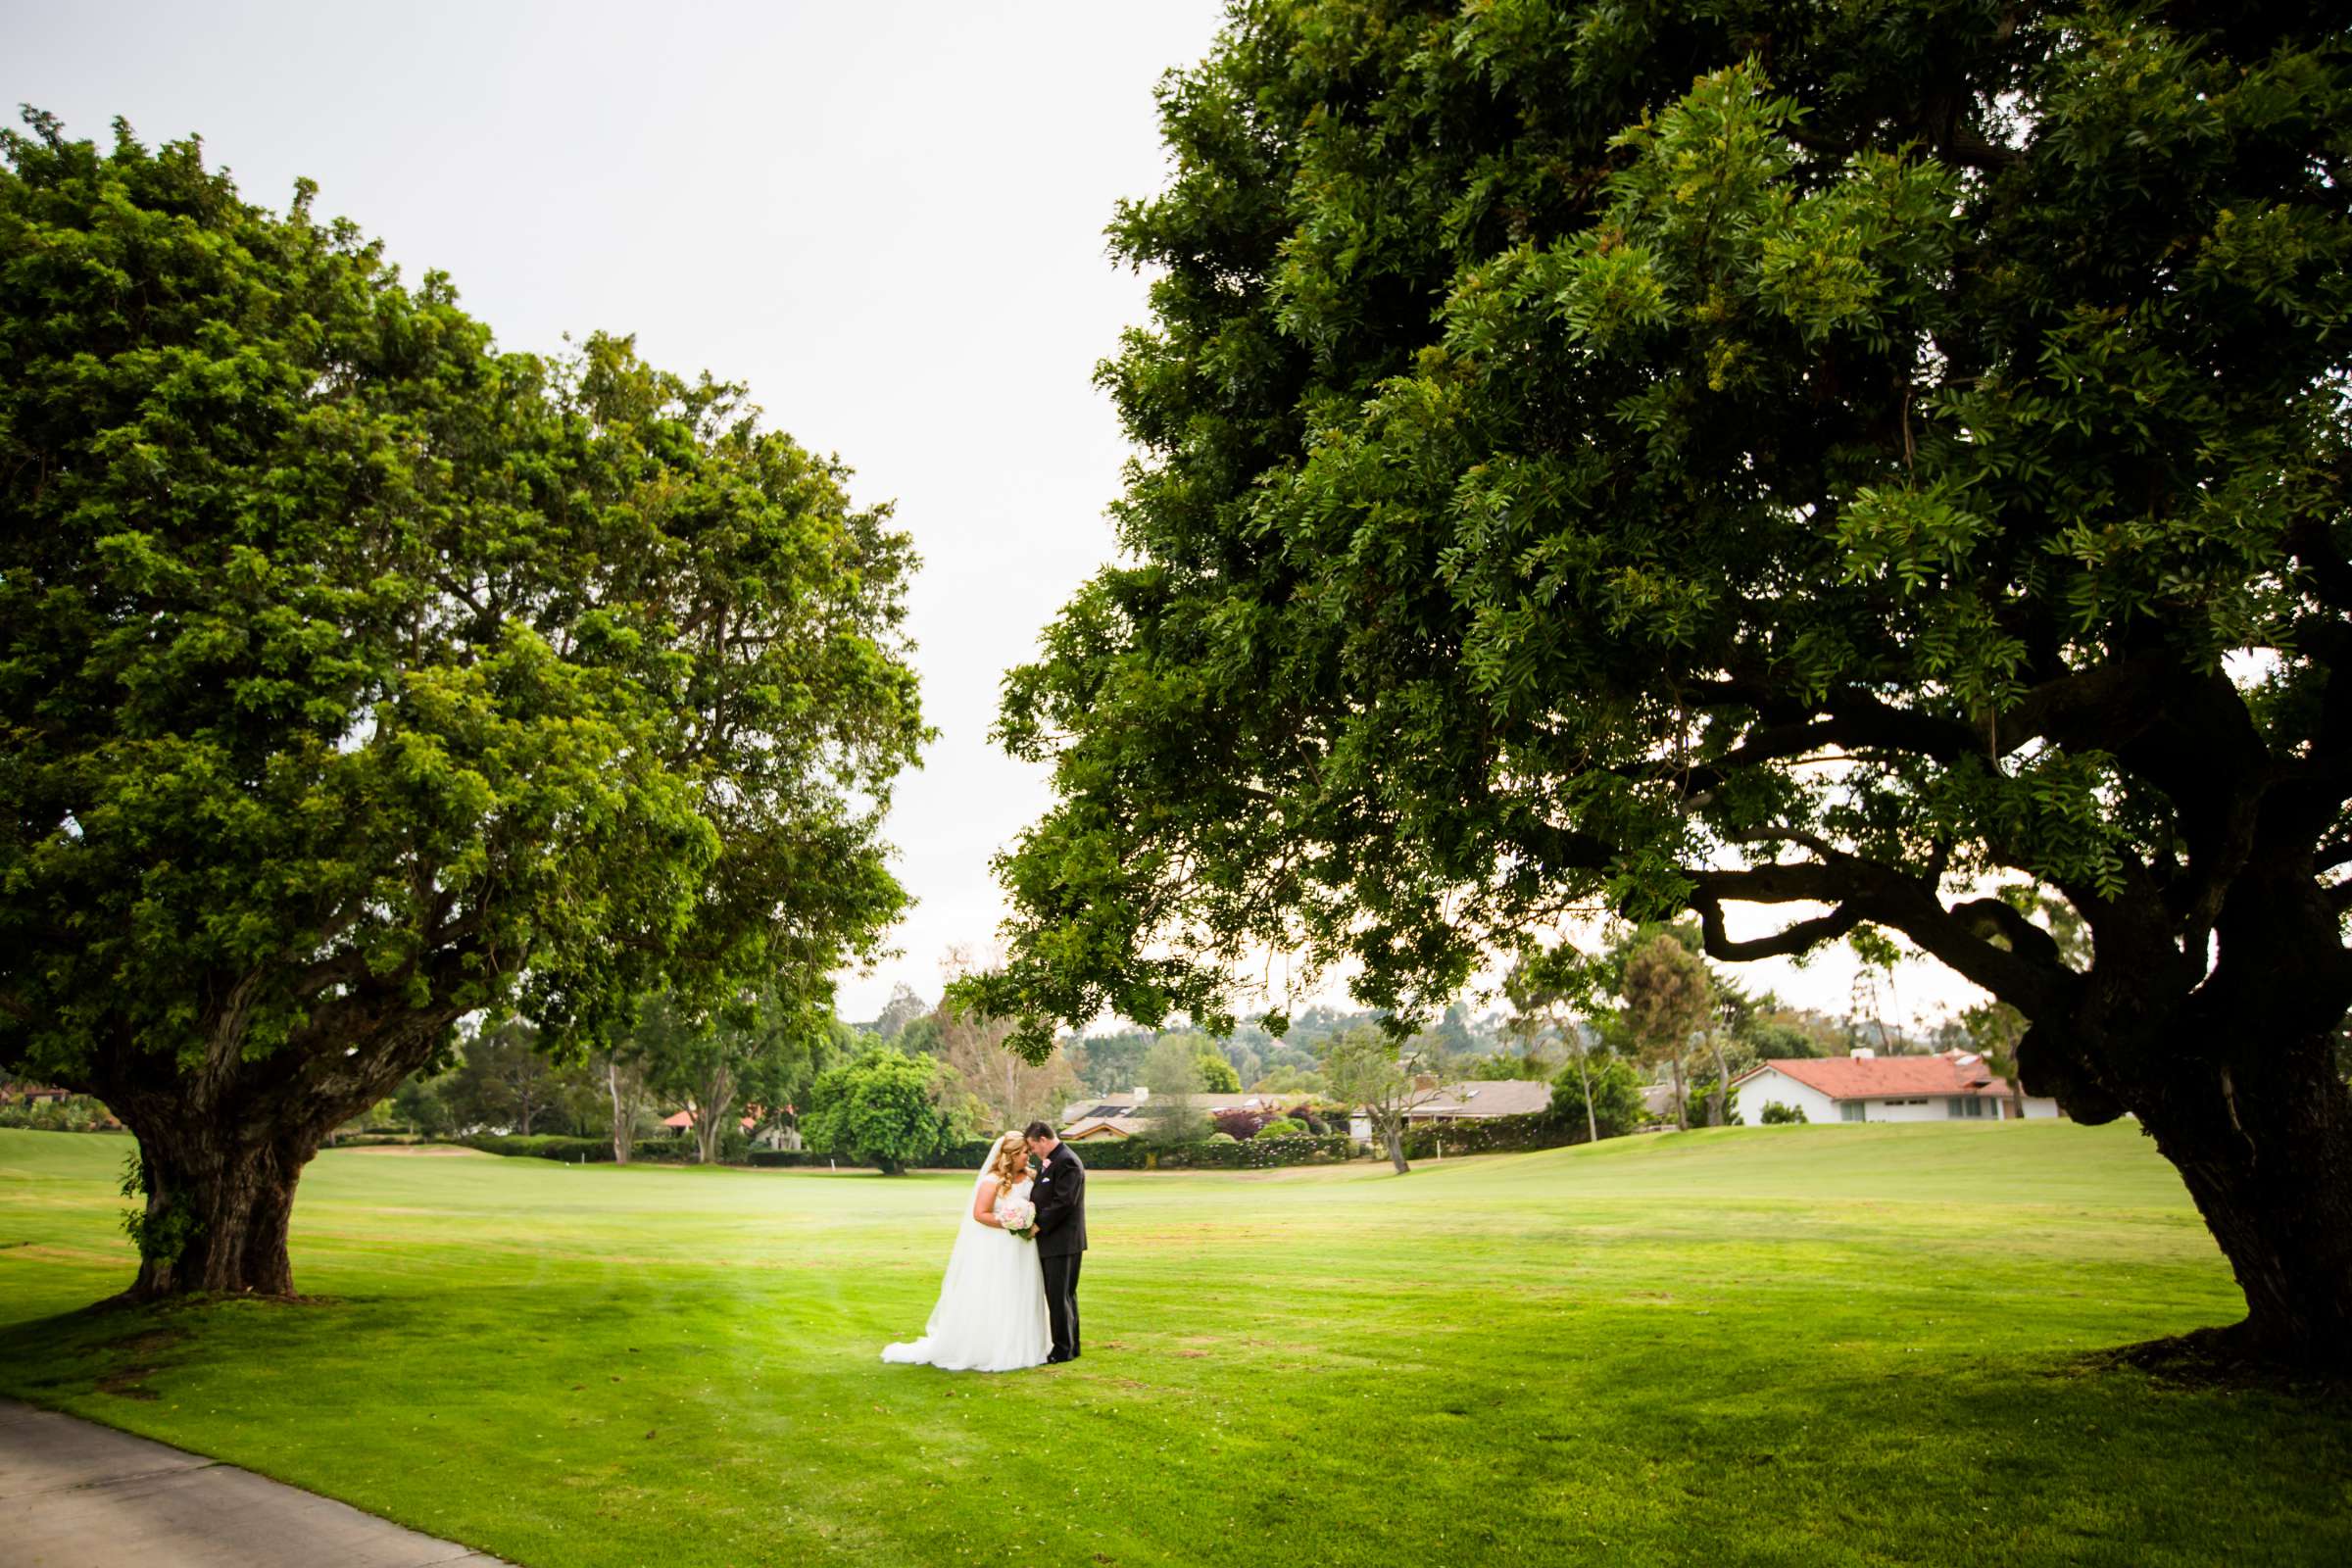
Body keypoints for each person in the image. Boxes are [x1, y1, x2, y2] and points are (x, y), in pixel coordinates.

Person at [879, 1131, 1051, 1372]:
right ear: (1010, 1155)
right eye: (1024, 1153)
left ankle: (1026, 1346)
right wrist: (1011, 1222)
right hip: (1000, 1246)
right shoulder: (991, 1181)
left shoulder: (1031, 1177)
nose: (1028, 1157)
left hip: (1024, 1248)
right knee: (999, 1292)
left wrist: (1027, 1221)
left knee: (1023, 1290)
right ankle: (993, 1346)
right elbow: (980, 1214)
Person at [1024, 1119, 1088, 1363]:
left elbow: (1064, 1201)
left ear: (1043, 1139)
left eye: (1033, 1146)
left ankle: (1062, 1349)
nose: (1033, 1152)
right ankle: (1071, 1346)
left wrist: (1039, 1224)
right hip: (1057, 1241)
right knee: (1064, 1295)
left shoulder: (1067, 1161)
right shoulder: (1051, 1161)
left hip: (1062, 1241)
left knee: (1059, 1296)